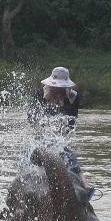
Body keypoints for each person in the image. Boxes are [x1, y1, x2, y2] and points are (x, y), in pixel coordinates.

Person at [27, 66, 93, 195]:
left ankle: (85, 187)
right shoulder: (39, 94)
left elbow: (71, 123)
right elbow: (31, 120)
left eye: (60, 88)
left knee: (69, 155)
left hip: (61, 139)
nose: (57, 90)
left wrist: (58, 136)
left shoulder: (73, 97)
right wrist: (46, 100)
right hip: (39, 138)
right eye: (55, 87)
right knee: (25, 160)